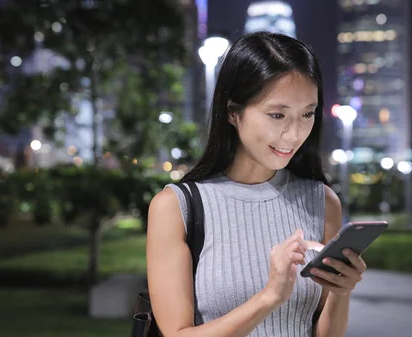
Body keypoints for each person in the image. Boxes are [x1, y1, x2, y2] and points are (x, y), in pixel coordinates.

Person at [146, 32, 367, 337]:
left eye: (307, 114)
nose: (294, 134)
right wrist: (270, 296)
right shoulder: (177, 207)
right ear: (232, 112)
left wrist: (341, 291)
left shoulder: (321, 201)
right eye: (277, 115)